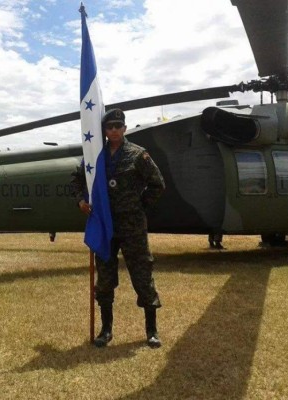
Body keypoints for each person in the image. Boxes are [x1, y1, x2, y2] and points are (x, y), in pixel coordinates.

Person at [71, 108, 166, 348]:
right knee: (105, 276)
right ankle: (106, 330)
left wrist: (139, 205)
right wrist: (81, 201)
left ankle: (151, 331)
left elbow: (158, 184)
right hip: (105, 225)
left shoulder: (137, 155)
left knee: (142, 275)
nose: (113, 130)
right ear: (104, 130)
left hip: (131, 225)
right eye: (109, 127)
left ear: (124, 128)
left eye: (117, 126)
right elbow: (76, 180)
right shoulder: (95, 156)